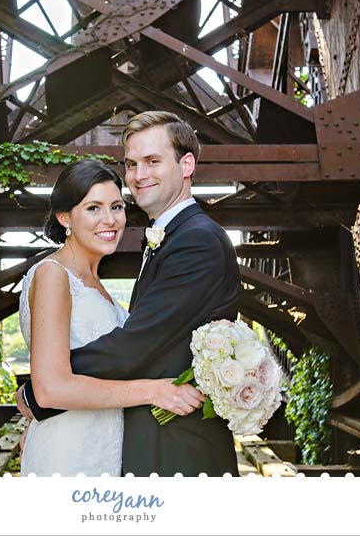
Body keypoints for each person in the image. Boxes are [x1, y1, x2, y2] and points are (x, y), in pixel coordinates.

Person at [18, 111, 241, 476]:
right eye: (132, 164)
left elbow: (135, 344)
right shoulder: (57, 273)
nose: (139, 176)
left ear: (187, 164)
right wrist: (50, 388)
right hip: (108, 446)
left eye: (153, 161)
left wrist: (39, 394)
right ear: (65, 218)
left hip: (177, 448)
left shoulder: (196, 240)